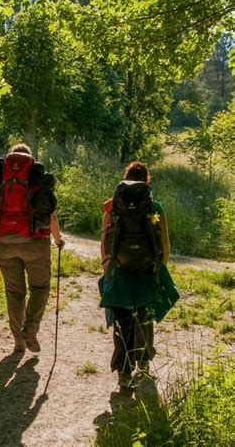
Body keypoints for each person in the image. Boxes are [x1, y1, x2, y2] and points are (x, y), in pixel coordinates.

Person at [100, 161, 172, 389]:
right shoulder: (155, 208)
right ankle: (143, 365)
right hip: (146, 272)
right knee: (144, 318)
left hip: (119, 271)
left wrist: (107, 268)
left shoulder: (112, 207)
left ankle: (123, 372)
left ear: (125, 179)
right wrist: (159, 267)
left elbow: (105, 242)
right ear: (146, 180)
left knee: (122, 322)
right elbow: (164, 242)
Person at [0, 143, 64, 354]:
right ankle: (29, 330)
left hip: (5, 244)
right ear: (30, 162)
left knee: (14, 293)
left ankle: (18, 342)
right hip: (34, 245)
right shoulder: (39, 184)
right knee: (40, 288)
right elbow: (51, 216)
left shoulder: (0, 181)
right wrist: (58, 240)